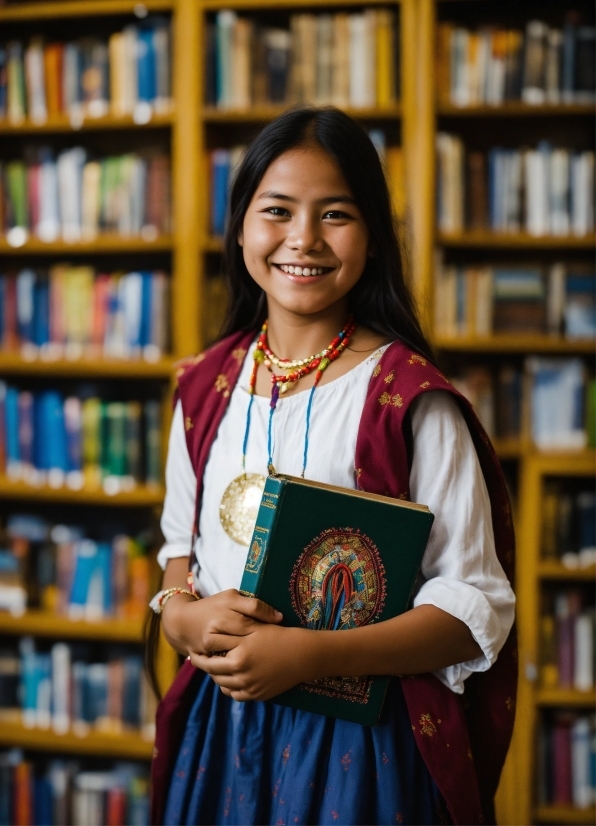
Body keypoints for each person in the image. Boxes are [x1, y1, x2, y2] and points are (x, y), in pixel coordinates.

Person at [148, 107, 517, 826]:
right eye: (277, 211)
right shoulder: (204, 385)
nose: (303, 239)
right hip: (222, 731)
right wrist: (180, 622)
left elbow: (474, 608)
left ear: (374, 237)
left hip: (361, 749)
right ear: (241, 227)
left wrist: (308, 656)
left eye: (335, 215)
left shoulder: (407, 401)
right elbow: (179, 549)